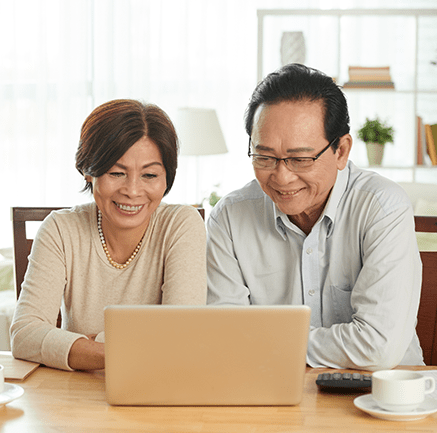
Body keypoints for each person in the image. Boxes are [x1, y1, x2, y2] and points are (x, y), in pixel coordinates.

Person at [207, 64, 423, 371]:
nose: (282, 177)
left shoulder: (382, 208)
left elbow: (378, 347)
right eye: (264, 157)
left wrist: (264, 341)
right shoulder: (229, 218)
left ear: (341, 151)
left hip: (385, 400)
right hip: (272, 395)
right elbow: (223, 338)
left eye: (300, 159)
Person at [11, 99, 207, 371]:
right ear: (88, 171)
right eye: (116, 172)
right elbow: (23, 335)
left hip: (156, 389)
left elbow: (181, 337)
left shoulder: (181, 224)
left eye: (149, 175)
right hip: (75, 393)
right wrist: (117, 353)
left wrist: (83, 344)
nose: (133, 190)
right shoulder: (59, 229)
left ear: (167, 178)